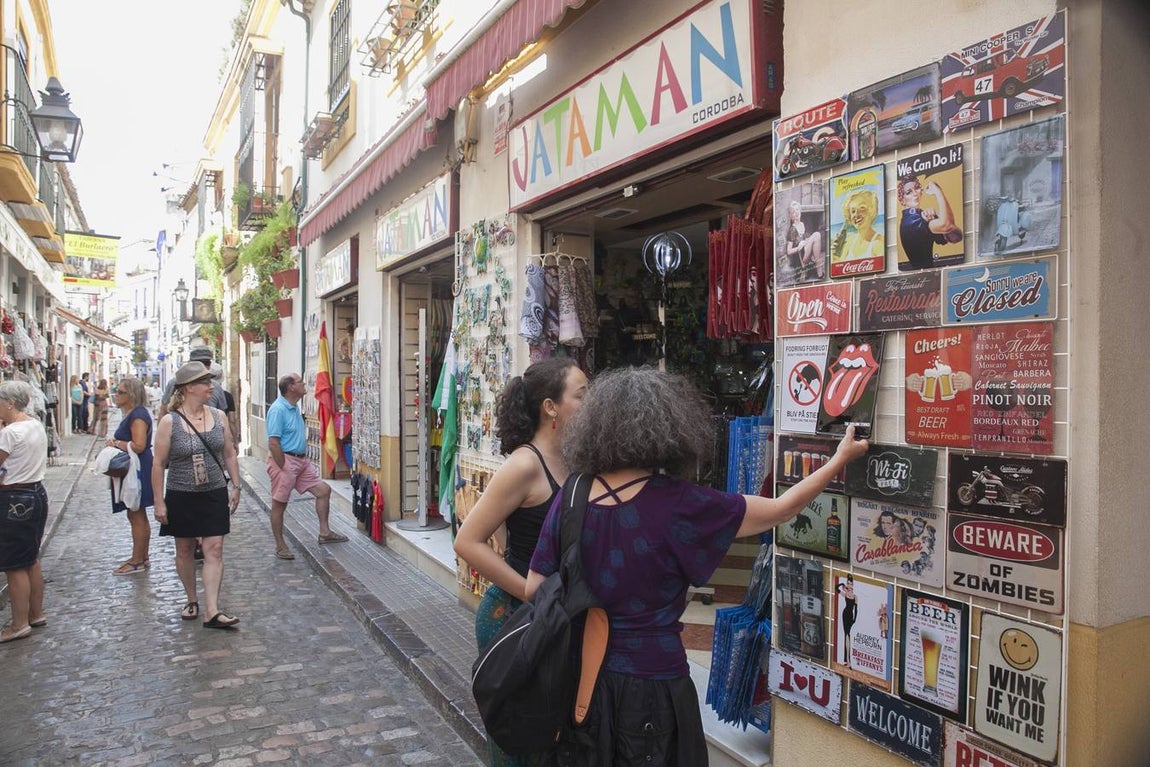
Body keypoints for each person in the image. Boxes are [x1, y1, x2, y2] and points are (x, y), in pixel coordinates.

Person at [524, 367, 868, 763]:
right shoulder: (681, 504)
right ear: (670, 429)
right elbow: (781, 509)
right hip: (654, 686)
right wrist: (840, 457)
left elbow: (535, 589)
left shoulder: (574, 494)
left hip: (579, 680)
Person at [454, 358, 588, 767]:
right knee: (520, 744)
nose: (591, 400)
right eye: (582, 394)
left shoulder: (577, 459)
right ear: (551, 406)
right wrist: (530, 590)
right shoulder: (525, 464)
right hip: (514, 618)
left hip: (555, 619)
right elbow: (468, 541)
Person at [151, 362, 242, 629]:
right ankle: (192, 599)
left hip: (213, 491)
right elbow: (158, 464)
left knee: (214, 548)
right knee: (186, 549)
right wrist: (159, 501)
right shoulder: (170, 422)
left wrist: (235, 486)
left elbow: (229, 453)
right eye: (205, 382)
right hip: (181, 493)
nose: (210, 387)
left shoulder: (218, 416)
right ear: (189, 387)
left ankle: (212, 610)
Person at [266, 373, 348, 560]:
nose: (305, 385)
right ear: (291, 388)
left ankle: (324, 532)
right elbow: (273, 442)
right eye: (300, 382)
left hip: (300, 461)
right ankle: (280, 546)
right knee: (279, 504)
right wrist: (283, 466)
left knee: (323, 490)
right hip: (285, 460)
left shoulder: (293, 407)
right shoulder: (279, 409)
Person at [0, 382, 49, 643]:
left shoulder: (10, 433)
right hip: (36, 492)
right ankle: (36, 613)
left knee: (14, 564)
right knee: (30, 558)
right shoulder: (34, 424)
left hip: (14, 497)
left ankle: (18, 624)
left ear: (9, 403)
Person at [106, 377, 155, 576]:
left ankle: (137, 560)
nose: (116, 395)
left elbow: (139, 445)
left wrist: (115, 444)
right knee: (136, 513)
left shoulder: (137, 415)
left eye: (120, 392)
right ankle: (141, 556)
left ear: (131, 395)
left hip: (137, 468)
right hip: (136, 467)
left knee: (136, 513)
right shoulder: (134, 414)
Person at [896, 177, 962, 271]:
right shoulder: (911, 222)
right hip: (923, 275)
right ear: (902, 200)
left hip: (932, 273)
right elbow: (948, 225)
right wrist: (938, 192)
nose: (915, 194)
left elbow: (956, 237)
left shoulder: (921, 216)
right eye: (909, 192)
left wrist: (936, 218)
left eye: (917, 188)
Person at [157, 348, 228, 418]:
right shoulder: (174, 383)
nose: (202, 366)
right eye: (198, 363)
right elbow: (163, 411)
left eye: (207, 363)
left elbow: (222, 415)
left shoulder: (216, 386)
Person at [831, 188, 884, 267]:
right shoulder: (849, 242)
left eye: (862, 208)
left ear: (872, 211)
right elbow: (838, 270)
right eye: (853, 211)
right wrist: (834, 256)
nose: (856, 214)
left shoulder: (879, 243)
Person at [783, 199, 824, 281]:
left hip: (806, 252)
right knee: (817, 235)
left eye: (797, 210)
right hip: (800, 257)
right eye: (793, 212)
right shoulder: (792, 230)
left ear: (800, 211)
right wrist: (799, 246)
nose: (796, 212)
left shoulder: (802, 224)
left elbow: (805, 239)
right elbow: (789, 251)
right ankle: (819, 270)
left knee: (816, 236)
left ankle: (819, 271)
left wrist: (807, 240)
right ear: (791, 216)